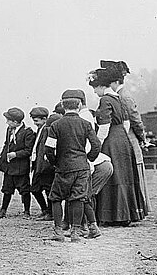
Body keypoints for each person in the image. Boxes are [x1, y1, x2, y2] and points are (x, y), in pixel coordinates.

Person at [89, 67, 146, 225]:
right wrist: (120, 136)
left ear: (101, 86)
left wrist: (97, 145)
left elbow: (105, 126)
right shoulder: (118, 98)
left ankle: (111, 216)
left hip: (111, 140)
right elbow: (126, 123)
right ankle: (126, 214)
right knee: (123, 175)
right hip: (122, 139)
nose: (95, 92)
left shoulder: (105, 100)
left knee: (112, 176)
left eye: (95, 89)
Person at [44, 94, 102, 242]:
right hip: (82, 167)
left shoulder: (56, 125)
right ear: (78, 107)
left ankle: (58, 232)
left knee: (56, 198)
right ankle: (75, 233)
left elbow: (48, 149)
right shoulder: (86, 124)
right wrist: (88, 158)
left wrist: (55, 162)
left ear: (63, 107)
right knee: (78, 198)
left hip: (63, 167)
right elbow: (96, 144)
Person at [103, 60, 149, 216]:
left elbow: (135, 119)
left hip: (128, 137)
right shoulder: (120, 95)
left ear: (116, 81)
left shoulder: (123, 96)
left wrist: (142, 137)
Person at [0, 107, 35, 218]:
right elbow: (6, 144)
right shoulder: (9, 130)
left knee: (24, 190)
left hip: (21, 168)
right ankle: (3, 210)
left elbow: (28, 150)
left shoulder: (27, 132)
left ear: (15, 122)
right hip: (9, 167)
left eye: (8, 120)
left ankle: (27, 211)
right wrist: (2, 158)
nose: (6, 122)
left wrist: (15, 154)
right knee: (7, 189)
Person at [29, 108, 56, 220]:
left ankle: (50, 213)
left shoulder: (47, 130)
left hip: (45, 165)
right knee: (35, 189)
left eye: (37, 121)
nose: (35, 123)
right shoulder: (40, 130)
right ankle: (44, 210)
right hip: (37, 164)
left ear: (44, 119)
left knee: (48, 189)